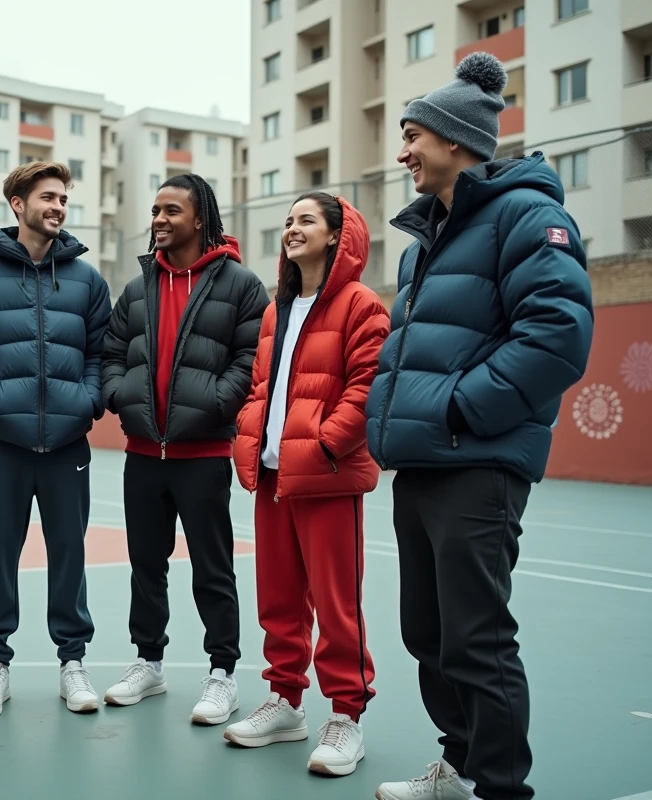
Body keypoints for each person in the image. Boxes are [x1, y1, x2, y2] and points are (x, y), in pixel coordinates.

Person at [365, 52, 594, 800]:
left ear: (455, 139)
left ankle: (501, 788)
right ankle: (459, 768)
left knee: (476, 638)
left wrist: (460, 409)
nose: (403, 153)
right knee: (427, 635)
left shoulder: (528, 216)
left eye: (412, 137)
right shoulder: (423, 245)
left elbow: (557, 336)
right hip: (423, 462)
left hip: (477, 462)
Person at [0, 161, 112, 719]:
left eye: (63, 199)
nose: (58, 207)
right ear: (18, 204)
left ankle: (72, 662)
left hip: (68, 445)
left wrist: (86, 402)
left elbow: (102, 353)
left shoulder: (87, 280)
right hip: (4, 444)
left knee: (70, 553)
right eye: (48, 197)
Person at [227, 192, 389, 776]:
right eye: (288, 221)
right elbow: (260, 388)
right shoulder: (278, 311)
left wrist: (324, 446)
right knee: (278, 600)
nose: (292, 229)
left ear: (336, 235)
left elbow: (369, 386)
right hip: (274, 475)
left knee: (337, 604)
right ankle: (286, 702)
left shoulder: (361, 304)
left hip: (326, 477)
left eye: (306, 220)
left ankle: (347, 716)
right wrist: (250, 436)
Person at [98, 174, 268, 725]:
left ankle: (222, 674)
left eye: (171, 210)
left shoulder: (241, 285)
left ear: (200, 218)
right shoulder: (137, 287)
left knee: (213, 569)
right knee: (145, 566)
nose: (159, 219)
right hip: (144, 454)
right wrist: (119, 396)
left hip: (204, 454)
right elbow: (112, 353)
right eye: (155, 210)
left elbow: (251, 357)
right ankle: (148, 662)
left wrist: (217, 403)